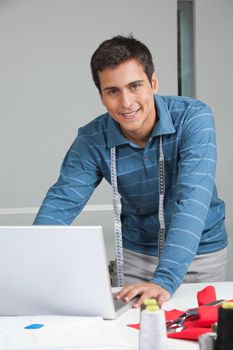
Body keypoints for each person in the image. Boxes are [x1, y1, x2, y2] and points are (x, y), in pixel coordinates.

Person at [34, 35, 228, 307]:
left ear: (153, 83)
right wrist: (29, 260)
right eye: (112, 91)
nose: (126, 102)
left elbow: (193, 198)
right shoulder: (92, 139)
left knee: (199, 335)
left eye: (135, 86)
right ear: (101, 96)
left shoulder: (193, 118)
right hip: (137, 255)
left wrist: (165, 279)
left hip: (200, 252)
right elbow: (62, 201)